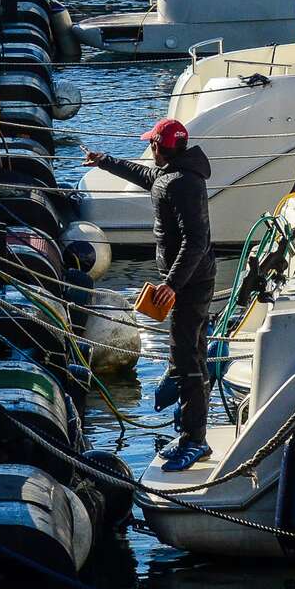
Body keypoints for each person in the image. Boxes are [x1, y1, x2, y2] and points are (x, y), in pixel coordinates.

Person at [85, 118, 217, 472]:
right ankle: (186, 418)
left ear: (162, 146)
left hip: (190, 284)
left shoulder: (183, 184)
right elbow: (146, 178)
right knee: (187, 354)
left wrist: (171, 284)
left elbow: (197, 241)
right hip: (185, 281)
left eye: (153, 145)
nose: (150, 150)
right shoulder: (171, 174)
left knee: (189, 360)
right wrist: (105, 161)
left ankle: (195, 439)